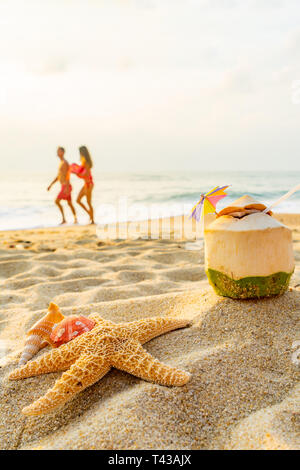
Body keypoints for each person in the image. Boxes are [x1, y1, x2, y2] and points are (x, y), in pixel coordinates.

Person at [47, 147, 77, 225]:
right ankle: (73, 219)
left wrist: (67, 188)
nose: (57, 152)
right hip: (64, 186)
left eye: (59, 151)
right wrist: (51, 185)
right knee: (69, 203)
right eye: (57, 151)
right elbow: (58, 176)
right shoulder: (61, 163)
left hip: (66, 186)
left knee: (57, 201)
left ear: (63, 152)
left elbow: (67, 176)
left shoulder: (65, 163)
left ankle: (66, 219)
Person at [70, 146, 95, 224]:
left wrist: (76, 173)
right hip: (86, 184)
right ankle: (90, 215)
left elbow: (86, 175)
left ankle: (92, 219)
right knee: (78, 200)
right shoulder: (84, 161)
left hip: (88, 184)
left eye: (80, 152)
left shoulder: (86, 162)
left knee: (88, 202)